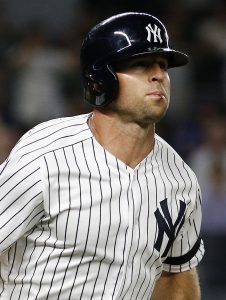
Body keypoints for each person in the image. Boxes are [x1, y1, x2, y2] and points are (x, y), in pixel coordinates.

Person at [0, 12, 204, 299]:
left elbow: (176, 274)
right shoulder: (45, 154)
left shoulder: (181, 179)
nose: (158, 74)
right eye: (141, 64)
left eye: (162, 65)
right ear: (100, 77)